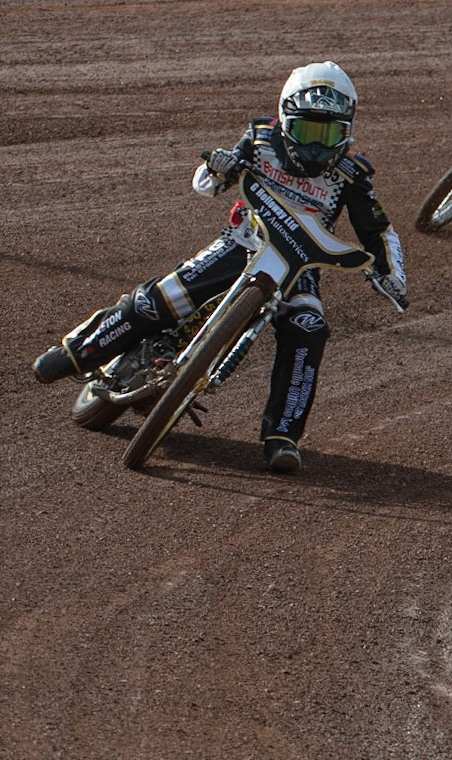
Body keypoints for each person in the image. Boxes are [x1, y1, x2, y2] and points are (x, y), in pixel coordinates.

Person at [32, 61, 407, 474]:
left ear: (347, 129)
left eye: (329, 133)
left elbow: (380, 230)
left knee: (310, 330)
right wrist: (219, 167)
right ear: (285, 119)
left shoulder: (353, 174)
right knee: (166, 297)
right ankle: (78, 351)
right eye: (306, 131)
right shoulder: (261, 139)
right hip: (244, 241)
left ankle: (282, 436)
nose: (317, 147)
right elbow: (205, 183)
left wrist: (392, 275)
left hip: (301, 268)